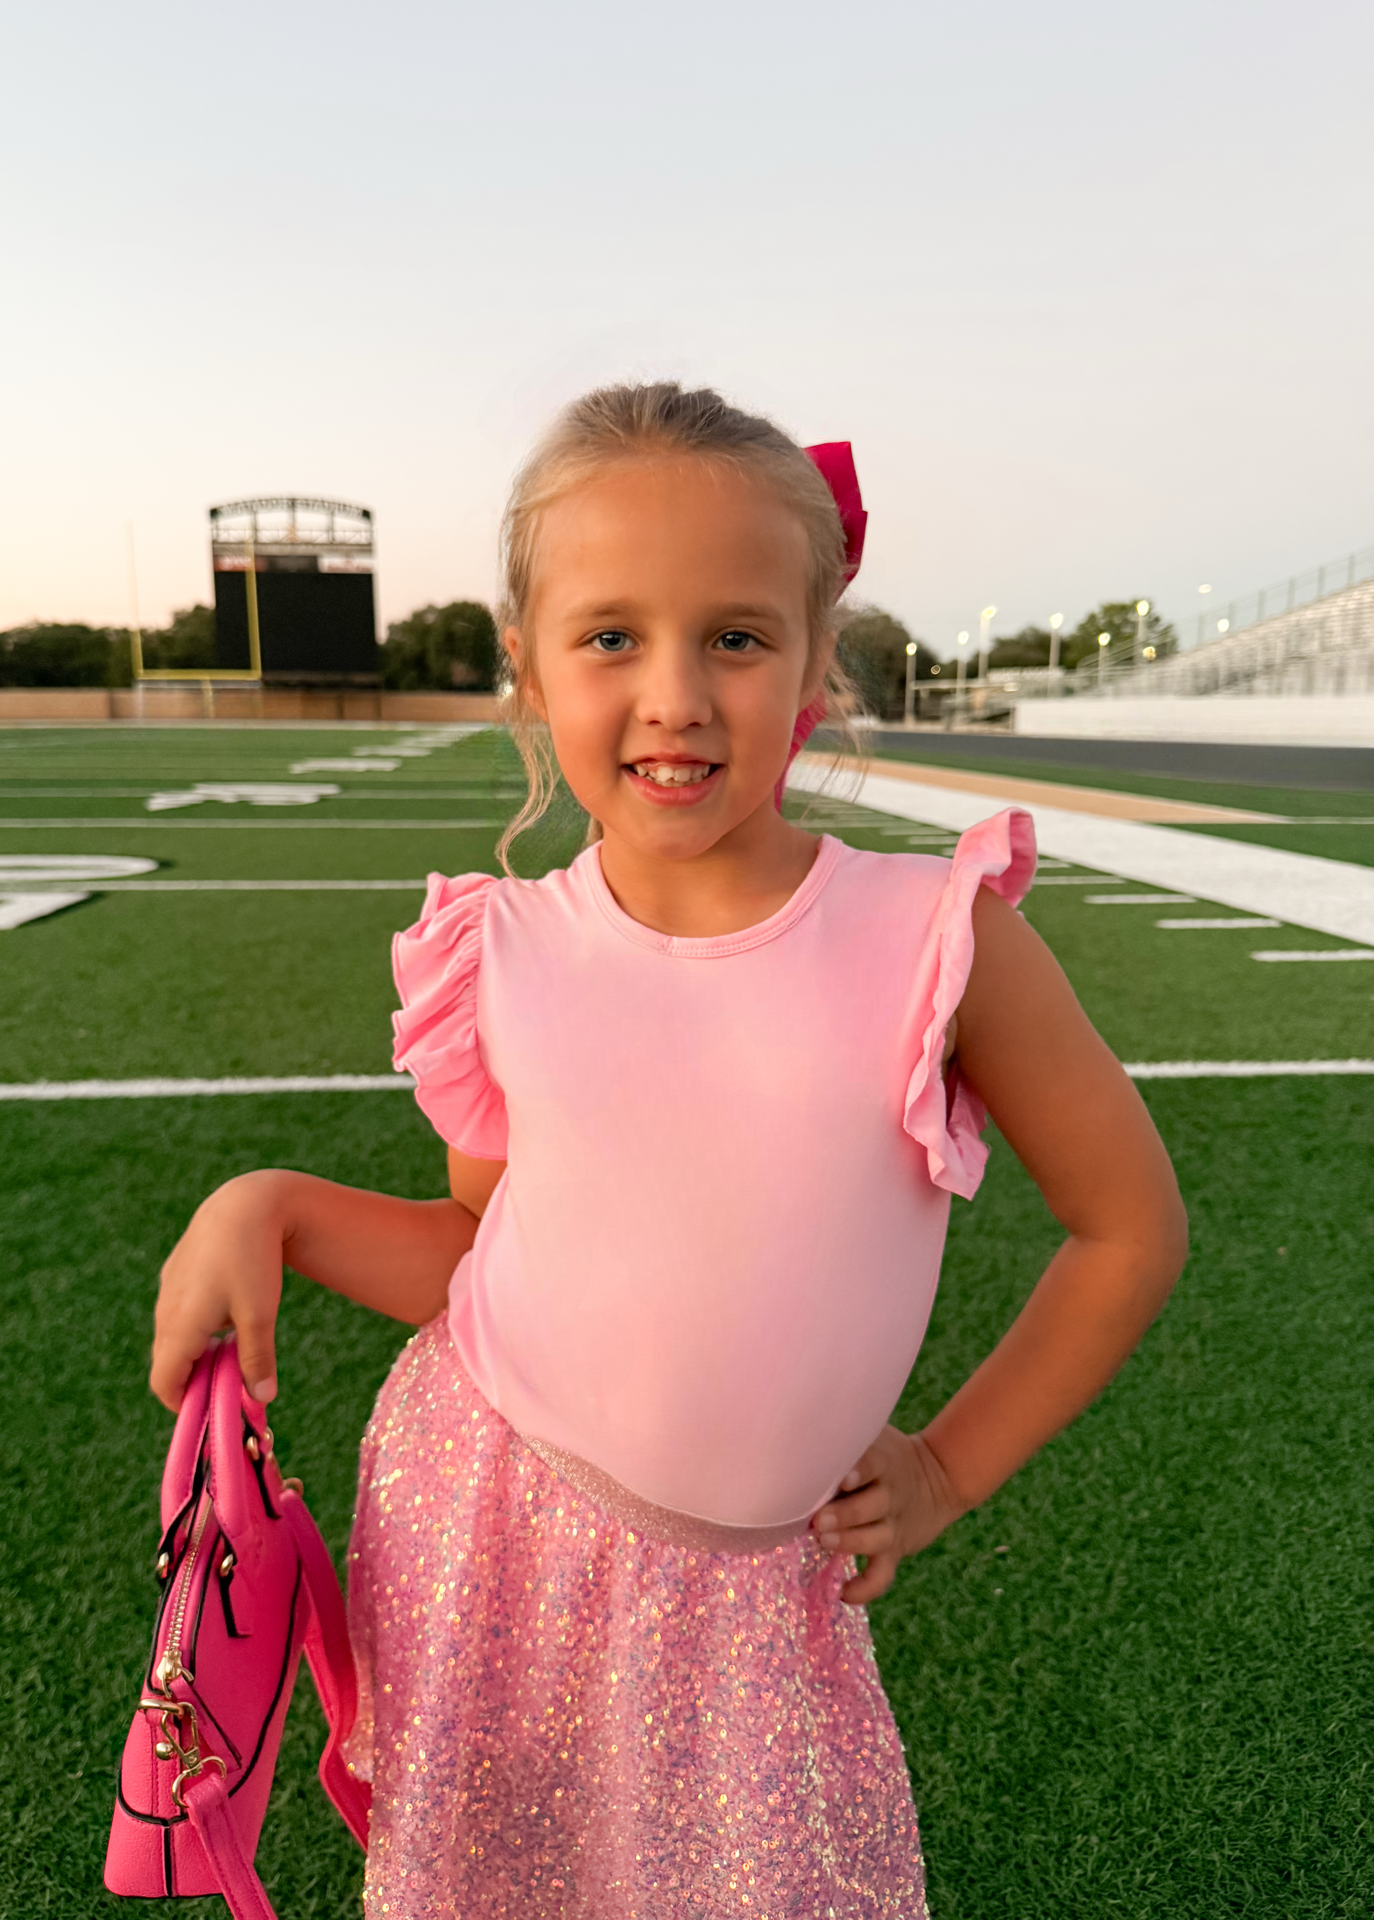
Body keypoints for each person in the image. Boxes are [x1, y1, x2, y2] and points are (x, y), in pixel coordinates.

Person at [150, 383, 1186, 1918]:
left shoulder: (938, 936)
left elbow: (1130, 1227)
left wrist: (946, 1469)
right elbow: (478, 1251)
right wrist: (270, 1207)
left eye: (737, 638)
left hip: (751, 1593)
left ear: (817, 663)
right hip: (484, 1526)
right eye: (612, 638)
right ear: (528, 665)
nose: (676, 696)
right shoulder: (501, 949)